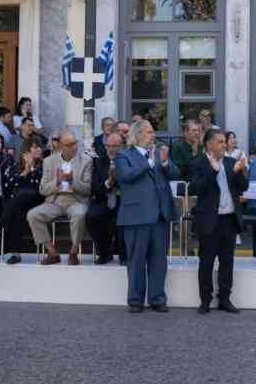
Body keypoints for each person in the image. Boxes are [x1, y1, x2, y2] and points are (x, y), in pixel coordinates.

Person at [115, 120, 179, 313]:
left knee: (159, 261)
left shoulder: (159, 153)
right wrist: (149, 163)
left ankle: (157, 299)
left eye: (152, 132)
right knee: (136, 261)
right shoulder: (123, 155)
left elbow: (175, 174)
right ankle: (135, 300)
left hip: (159, 215)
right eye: (149, 132)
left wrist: (166, 162)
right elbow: (126, 176)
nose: (153, 136)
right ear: (138, 135)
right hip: (136, 216)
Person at [189, 128, 248, 314]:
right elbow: (195, 188)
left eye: (225, 142)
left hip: (229, 219)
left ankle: (225, 299)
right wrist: (213, 172)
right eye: (221, 142)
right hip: (209, 220)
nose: (225, 145)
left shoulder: (231, 162)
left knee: (227, 261)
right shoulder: (198, 163)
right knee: (206, 261)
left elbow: (243, 187)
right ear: (209, 144)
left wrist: (239, 172)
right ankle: (205, 300)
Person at [27, 130, 92, 266]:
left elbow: (87, 189)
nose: (74, 147)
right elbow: (43, 189)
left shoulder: (86, 161)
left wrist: (72, 181)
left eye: (75, 143)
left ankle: (73, 251)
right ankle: (52, 253)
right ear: (61, 146)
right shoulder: (49, 161)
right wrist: (57, 182)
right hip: (55, 201)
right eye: (69, 145)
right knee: (32, 215)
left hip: (76, 200)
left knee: (79, 214)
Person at [0, 138, 45, 264]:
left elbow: (39, 186)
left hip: (38, 201)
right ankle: (16, 254)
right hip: (20, 205)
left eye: (39, 147)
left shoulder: (45, 164)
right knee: (16, 210)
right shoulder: (16, 166)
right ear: (26, 152)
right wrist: (25, 171)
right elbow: (9, 186)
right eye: (34, 147)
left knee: (24, 194)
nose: (38, 149)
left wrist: (32, 168)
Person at [87, 132, 127, 265]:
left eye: (115, 146)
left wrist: (118, 177)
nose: (111, 149)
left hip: (124, 200)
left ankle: (124, 255)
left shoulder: (128, 160)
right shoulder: (99, 161)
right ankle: (104, 253)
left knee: (123, 217)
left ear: (122, 146)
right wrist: (109, 180)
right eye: (108, 145)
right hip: (104, 198)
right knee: (92, 216)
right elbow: (95, 188)